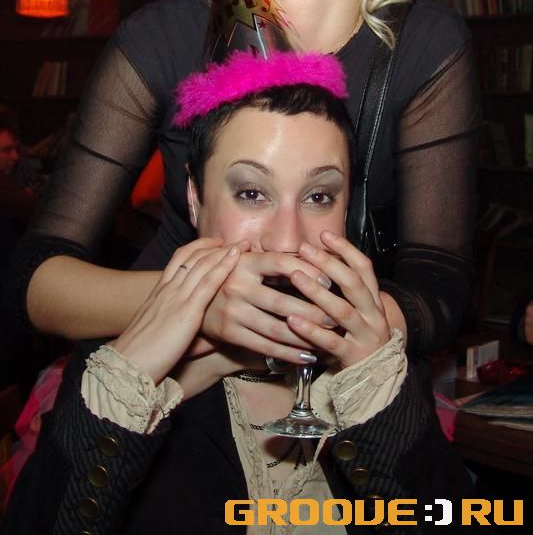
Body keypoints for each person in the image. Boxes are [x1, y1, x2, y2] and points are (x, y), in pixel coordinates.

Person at [1, 0, 480, 369]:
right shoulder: (159, 39)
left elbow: (440, 284)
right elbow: (35, 279)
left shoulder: (428, 47)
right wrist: (197, 301)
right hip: (166, 382)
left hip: (330, 387)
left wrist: (313, 324)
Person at [3, 53, 475, 534]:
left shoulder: (375, 363)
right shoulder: (119, 371)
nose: (286, 240)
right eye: (251, 193)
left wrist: (376, 400)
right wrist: (130, 386)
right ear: (195, 199)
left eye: (318, 197)